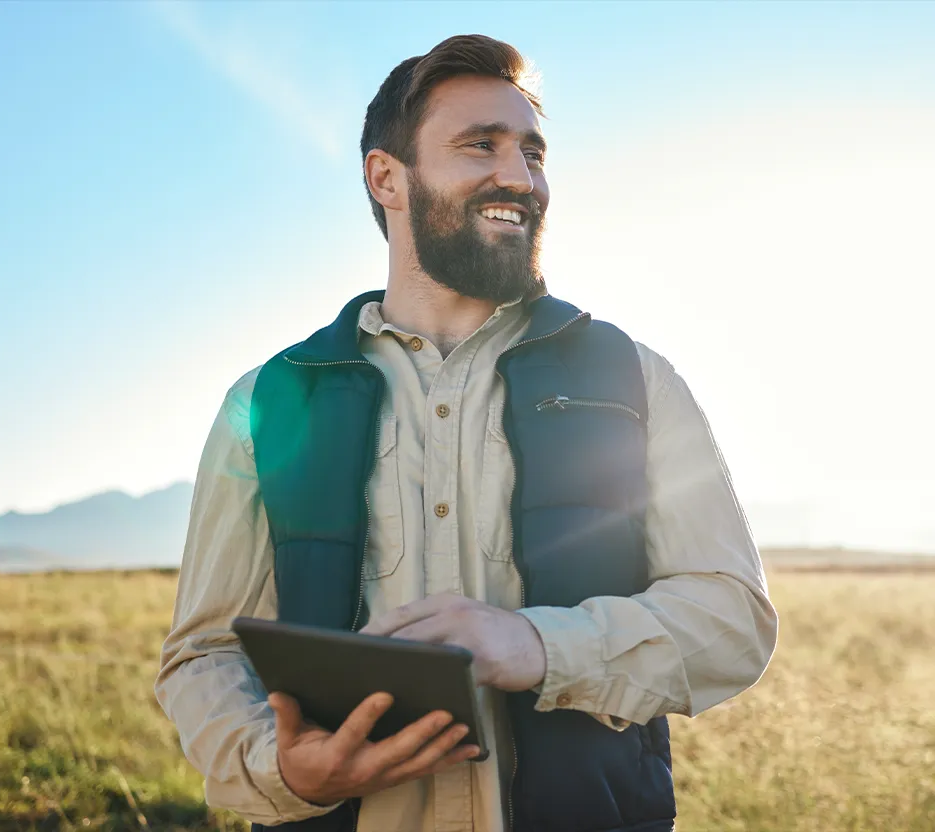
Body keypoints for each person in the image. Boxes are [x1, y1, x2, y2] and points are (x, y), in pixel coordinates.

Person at [155, 34, 778, 832]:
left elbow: (732, 619)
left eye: (532, 152)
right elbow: (204, 653)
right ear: (387, 177)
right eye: (480, 145)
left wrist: (539, 646)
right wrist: (280, 768)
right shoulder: (269, 400)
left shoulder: (633, 378)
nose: (519, 177)